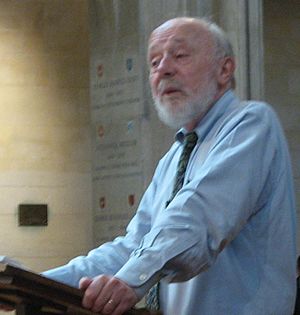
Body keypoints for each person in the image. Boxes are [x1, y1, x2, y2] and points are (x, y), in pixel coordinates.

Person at [5, 17, 297, 315]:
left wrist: (131, 280)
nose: (164, 70)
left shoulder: (252, 124)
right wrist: (26, 283)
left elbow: (199, 215)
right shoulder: (175, 155)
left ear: (224, 69)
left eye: (180, 55)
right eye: (154, 62)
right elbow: (132, 247)